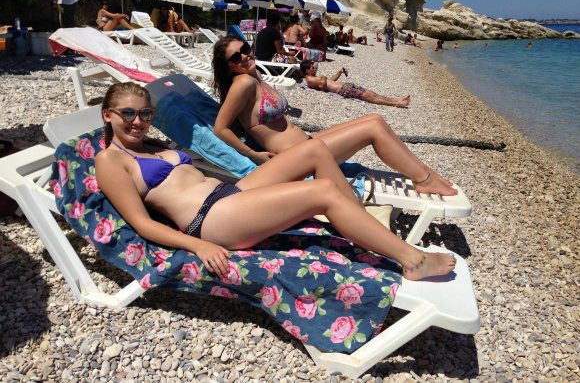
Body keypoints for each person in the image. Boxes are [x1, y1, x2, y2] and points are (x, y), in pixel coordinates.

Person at [96, 81, 456, 280]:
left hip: (228, 194)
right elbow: (141, 224)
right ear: (108, 115)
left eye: (145, 113)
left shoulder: (151, 145)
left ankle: (354, 218)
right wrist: (199, 247)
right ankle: (412, 260)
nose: (137, 121)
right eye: (127, 114)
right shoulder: (111, 161)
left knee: (314, 152)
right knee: (323, 190)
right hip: (210, 222)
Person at [212, 36, 457, 197]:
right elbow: (220, 128)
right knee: (373, 128)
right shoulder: (242, 82)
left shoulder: (255, 77)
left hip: (307, 143)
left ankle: (424, 172)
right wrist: (253, 155)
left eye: (244, 48)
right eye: (236, 57)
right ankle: (424, 179)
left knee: (375, 119)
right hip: (297, 158)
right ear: (229, 67)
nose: (244, 56)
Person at [299, 61, 410, 108]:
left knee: (371, 93)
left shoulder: (313, 77)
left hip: (345, 87)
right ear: (307, 70)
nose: (314, 69)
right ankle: (394, 104)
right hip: (343, 90)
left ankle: (395, 100)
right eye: (312, 67)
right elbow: (323, 83)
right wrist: (323, 76)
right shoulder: (309, 79)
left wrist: (340, 72)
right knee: (369, 96)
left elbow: (330, 81)